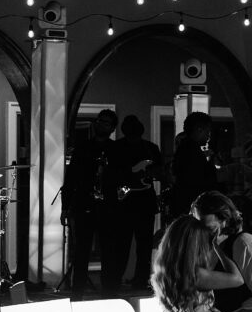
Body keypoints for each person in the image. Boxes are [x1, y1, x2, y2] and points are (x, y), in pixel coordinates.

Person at [60, 109, 120, 298]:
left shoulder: (116, 149)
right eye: (99, 121)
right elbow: (70, 179)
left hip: (108, 207)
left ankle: (109, 293)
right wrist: (65, 207)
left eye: (106, 122)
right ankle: (77, 293)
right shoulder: (83, 147)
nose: (101, 124)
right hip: (84, 204)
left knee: (109, 251)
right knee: (81, 251)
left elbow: (121, 178)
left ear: (112, 128)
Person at [114, 115, 163, 290]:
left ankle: (139, 280)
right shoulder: (117, 148)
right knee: (124, 244)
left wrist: (152, 173)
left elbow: (159, 171)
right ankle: (120, 279)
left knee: (142, 246)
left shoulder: (150, 148)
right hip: (127, 202)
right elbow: (112, 174)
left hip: (142, 202)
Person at [169, 112, 218, 219]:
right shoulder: (191, 151)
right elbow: (199, 181)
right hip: (190, 208)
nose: (209, 135)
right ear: (199, 129)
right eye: (208, 131)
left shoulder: (185, 149)